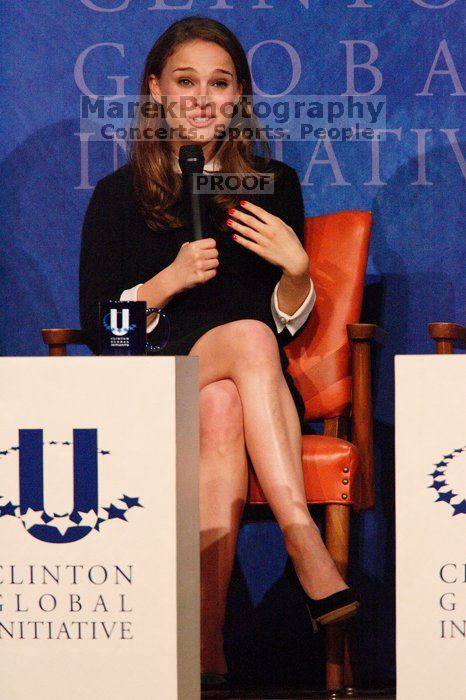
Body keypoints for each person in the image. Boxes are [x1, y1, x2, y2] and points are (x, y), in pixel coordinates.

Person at [79, 15, 359, 691]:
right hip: (154, 385)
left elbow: (285, 328)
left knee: (229, 396)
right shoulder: (118, 196)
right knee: (244, 345)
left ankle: (205, 651)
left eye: (219, 83)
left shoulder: (271, 183)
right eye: (185, 81)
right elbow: (100, 329)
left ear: (238, 98)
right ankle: (303, 538)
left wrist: (296, 272)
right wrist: (168, 280)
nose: (202, 97)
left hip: (245, 388)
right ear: (155, 90)